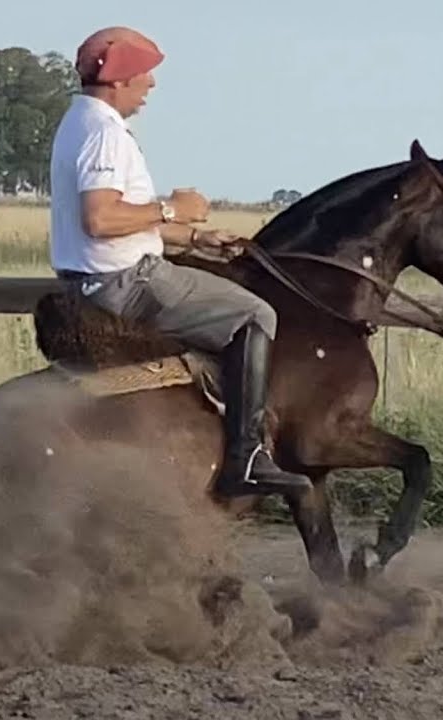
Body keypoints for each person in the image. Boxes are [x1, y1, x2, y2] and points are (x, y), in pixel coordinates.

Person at [47, 26, 312, 498]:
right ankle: (246, 456)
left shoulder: (77, 122)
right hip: (130, 282)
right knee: (255, 314)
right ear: (120, 80)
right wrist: (173, 208)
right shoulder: (105, 134)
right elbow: (101, 219)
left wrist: (196, 237)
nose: (150, 86)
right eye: (144, 76)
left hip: (97, 277)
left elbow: (118, 222)